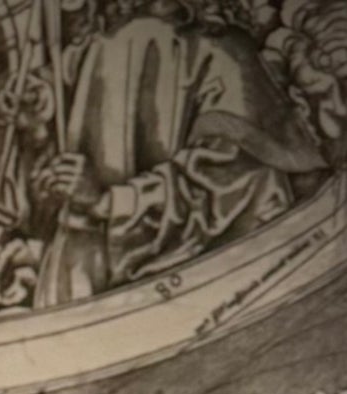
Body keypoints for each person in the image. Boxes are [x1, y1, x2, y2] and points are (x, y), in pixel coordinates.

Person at [32, 0, 324, 306]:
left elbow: (227, 188)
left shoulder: (221, 53)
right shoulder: (93, 48)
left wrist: (108, 202)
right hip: (84, 277)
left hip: (204, 288)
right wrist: (37, 132)